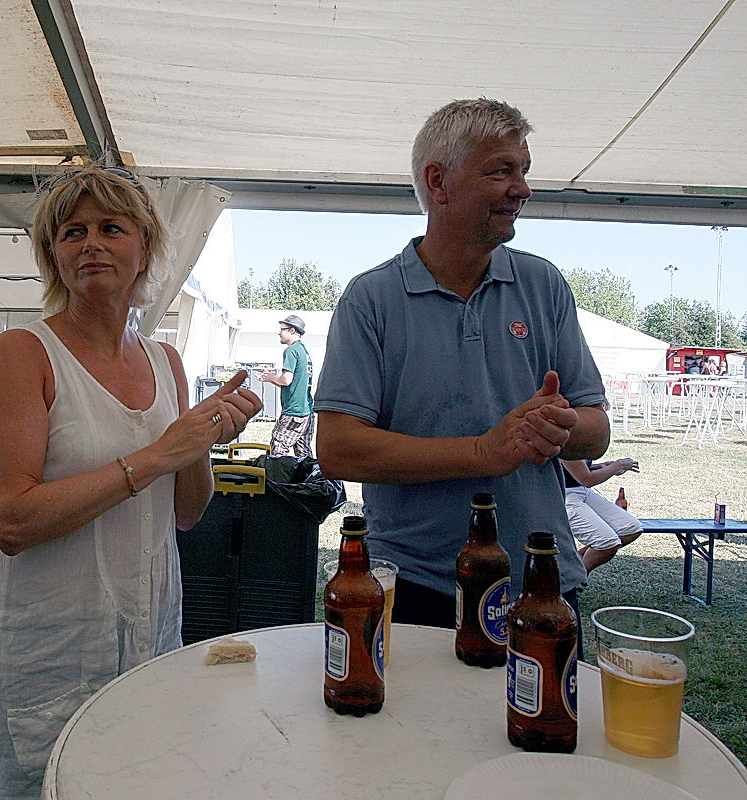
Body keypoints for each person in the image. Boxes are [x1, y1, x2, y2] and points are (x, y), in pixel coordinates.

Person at [0, 165, 262, 800]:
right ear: (54, 255)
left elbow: (188, 512)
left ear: (146, 250)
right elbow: (10, 520)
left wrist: (201, 439)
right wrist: (158, 454)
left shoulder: (167, 360)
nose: (91, 244)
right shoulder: (25, 352)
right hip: (51, 642)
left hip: (149, 627)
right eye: (72, 232)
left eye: (111, 228)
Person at [313, 98, 610, 629]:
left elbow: (596, 432)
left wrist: (559, 427)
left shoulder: (543, 285)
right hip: (417, 587)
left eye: (524, 170)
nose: (523, 188)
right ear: (438, 182)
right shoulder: (372, 299)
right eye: (501, 170)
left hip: (539, 584)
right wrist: (483, 451)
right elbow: (337, 449)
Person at [561, 458, 642, 572]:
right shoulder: (568, 442)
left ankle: (571, 564)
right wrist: (617, 466)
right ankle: (575, 579)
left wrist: (604, 467)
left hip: (581, 490)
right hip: (564, 494)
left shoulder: (580, 440)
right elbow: (587, 479)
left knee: (630, 528)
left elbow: (573, 470)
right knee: (606, 543)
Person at [257, 314, 315, 457]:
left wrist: (272, 377)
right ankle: (307, 479)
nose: (279, 333)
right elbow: (294, 384)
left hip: (293, 412)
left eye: (282, 329)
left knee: (278, 448)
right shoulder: (304, 351)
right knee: (304, 453)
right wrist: (271, 379)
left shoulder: (291, 351)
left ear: (293, 330)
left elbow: (286, 380)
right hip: (306, 411)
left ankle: (279, 479)